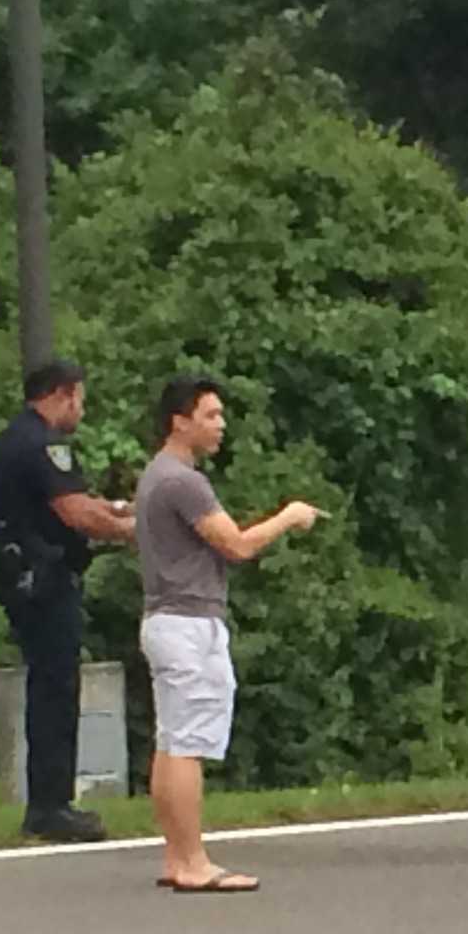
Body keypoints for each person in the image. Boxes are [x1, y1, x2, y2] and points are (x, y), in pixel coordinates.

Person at [134, 375, 322, 894]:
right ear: (180, 420)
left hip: (166, 619)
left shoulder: (157, 476)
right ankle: (194, 861)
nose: (221, 425)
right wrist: (288, 517)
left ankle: (177, 855)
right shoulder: (182, 481)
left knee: (173, 739)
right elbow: (236, 545)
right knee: (188, 742)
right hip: (189, 621)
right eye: (211, 415)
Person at [0, 359, 137, 841]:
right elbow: (75, 514)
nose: (82, 409)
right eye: (81, 398)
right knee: (55, 687)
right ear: (63, 394)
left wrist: (119, 511)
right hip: (44, 580)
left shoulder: (16, 439)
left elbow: (78, 501)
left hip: (26, 576)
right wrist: (136, 531)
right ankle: (51, 806)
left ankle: (50, 802)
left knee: (51, 683)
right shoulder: (43, 444)